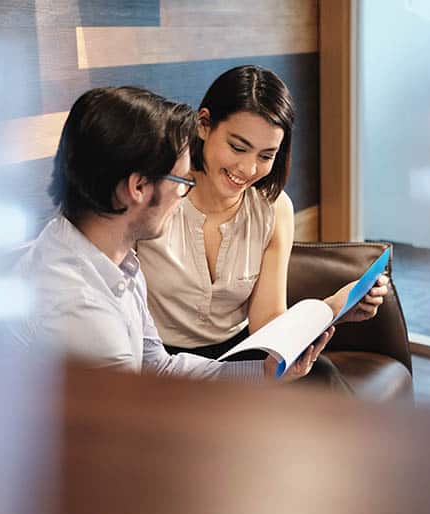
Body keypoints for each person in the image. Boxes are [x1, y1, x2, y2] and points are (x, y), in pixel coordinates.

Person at [11, 86, 332, 381]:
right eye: (181, 182)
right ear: (137, 187)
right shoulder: (82, 310)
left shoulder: (112, 260)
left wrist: (263, 373)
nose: (183, 197)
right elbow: (131, 431)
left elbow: (157, 365)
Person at [136, 66, 388, 392]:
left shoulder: (273, 207)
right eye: (238, 147)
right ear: (204, 125)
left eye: (266, 155)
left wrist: (336, 306)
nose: (249, 169)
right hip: (166, 361)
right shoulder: (161, 196)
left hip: (239, 352)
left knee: (321, 376)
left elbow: (267, 323)